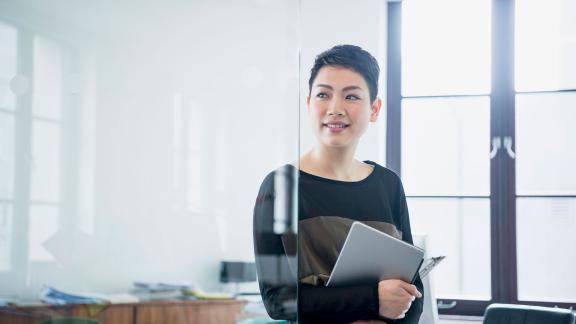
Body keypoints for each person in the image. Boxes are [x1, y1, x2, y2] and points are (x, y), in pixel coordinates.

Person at [253, 44, 423, 324]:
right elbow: (278, 301)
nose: (335, 109)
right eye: (323, 94)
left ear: (374, 109)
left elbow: (414, 293)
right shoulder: (279, 187)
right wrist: (372, 299)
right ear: (309, 104)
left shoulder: (389, 185)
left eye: (352, 96)